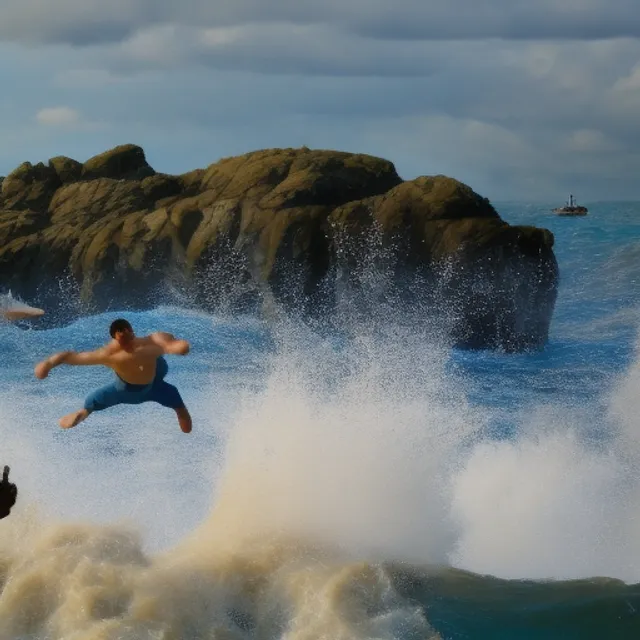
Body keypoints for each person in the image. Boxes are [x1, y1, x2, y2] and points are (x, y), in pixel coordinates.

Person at [34, 318, 192, 433]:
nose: (127, 344)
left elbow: (170, 342)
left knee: (166, 379)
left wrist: (177, 346)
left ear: (132, 332)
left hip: (153, 385)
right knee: (92, 401)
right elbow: (71, 357)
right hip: (126, 390)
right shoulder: (110, 355)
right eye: (121, 339)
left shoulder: (150, 343)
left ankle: (180, 410)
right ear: (115, 338)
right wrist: (48, 363)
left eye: (127, 336)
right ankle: (82, 414)